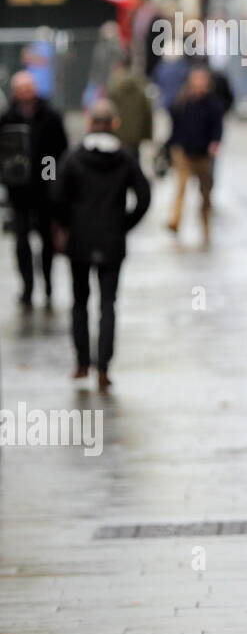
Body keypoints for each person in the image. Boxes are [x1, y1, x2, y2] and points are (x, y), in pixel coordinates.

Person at [51, 100, 151, 394]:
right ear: (115, 124)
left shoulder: (72, 158)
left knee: (80, 301)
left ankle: (82, 363)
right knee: (108, 303)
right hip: (111, 240)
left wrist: (67, 225)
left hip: (80, 240)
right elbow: (143, 197)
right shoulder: (125, 158)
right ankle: (104, 367)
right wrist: (124, 224)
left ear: (88, 122)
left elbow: (56, 196)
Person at [0, 71, 69, 309]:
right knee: (21, 241)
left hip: (44, 189)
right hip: (18, 190)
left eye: (29, 88)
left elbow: (60, 151)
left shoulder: (50, 116)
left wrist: (52, 180)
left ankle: (48, 283)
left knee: (47, 239)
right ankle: (27, 286)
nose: (26, 93)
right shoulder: (7, 118)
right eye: (21, 89)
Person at [166, 67, 223, 244]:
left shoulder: (213, 103)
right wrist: (172, 146)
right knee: (180, 188)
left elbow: (217, 127)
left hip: (203, 154)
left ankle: (206, 227)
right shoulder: (183, 102)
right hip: (183, 152)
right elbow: (175, 125)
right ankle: (175, 221)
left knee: (205, 193)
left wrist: (215, 143)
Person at [105, 54, 154, 162]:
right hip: (135, 137)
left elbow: (107, 112)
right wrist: (147, 135)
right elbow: (147, 113)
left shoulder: (112, 87)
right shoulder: (140, 86)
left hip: (117, 135)